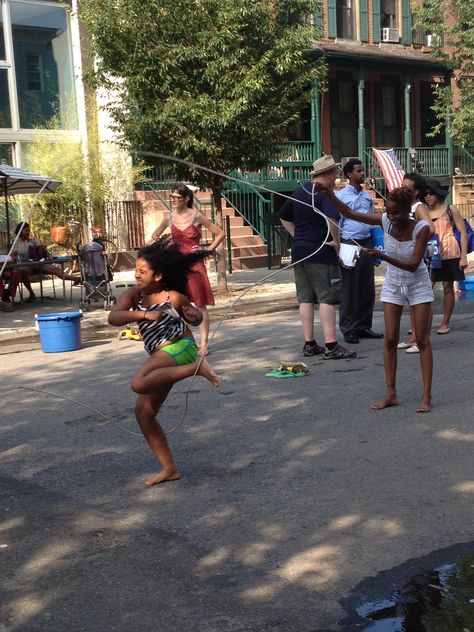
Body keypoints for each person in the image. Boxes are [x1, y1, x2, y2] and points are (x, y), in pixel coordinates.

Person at [108, 237, 219, 486]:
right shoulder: (134, 295)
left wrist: (193, 314)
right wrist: (144, 314)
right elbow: (114, 318)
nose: (137, 275)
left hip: (181, 348)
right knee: (144, 413)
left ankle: (196, 368)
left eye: (142, 271)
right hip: (163, 356)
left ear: (158, 275)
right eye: (136, 270)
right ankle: (169, 468)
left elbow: (195, 317)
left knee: (138, 383)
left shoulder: (172, 297)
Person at [315, 185, 434, 413]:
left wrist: (381, 255)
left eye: (396, 212)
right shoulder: (386, 221)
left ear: (407, 210)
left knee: (423, 340)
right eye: (388, 212)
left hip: (417, 283)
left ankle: (426, 396)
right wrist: (328, 193)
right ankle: (391, 394)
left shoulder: (422, 229)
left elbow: (412, 266)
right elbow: (350, 214)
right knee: (389, 339)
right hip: (393, 284)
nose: (391, 216)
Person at [278, 155, 356, 360]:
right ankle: (331, 345)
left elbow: (283, 216)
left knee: (305, 299)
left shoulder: (299, 191)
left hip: (300, 251)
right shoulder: (324, 193)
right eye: (335, 174)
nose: (336, 178)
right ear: (328, 173)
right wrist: (336, 241)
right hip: (321, 251)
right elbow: (333, 217)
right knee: (327, 297)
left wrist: (297, 236)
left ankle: (310, 343)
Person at [151, 185, 224, 356]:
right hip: (176, 264)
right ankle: (178, 339)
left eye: (176, 197)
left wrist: (207, 250)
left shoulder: (197, 216)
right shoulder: (169, 217)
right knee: (175, 303)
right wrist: (166, 245)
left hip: (194, 264)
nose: (173, 200)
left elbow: (220, 233)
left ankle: (204, 344)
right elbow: (155, 236)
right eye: (172, 197)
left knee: (200, 304)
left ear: (186, 199)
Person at [336, 159, 383, 344]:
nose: (362, 174)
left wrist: (376, 244)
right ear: (349, 175)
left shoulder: (366, 197)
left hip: (366, 243)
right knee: (349, 288)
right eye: (358, 171)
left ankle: (363, 326)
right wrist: (338, 247)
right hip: (348, 243)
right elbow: (336, 222)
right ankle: (348, 328)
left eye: (363, 170)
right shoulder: (341, 197)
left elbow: (372, 220)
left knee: (367, 288)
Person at [397, 173, 435, 354]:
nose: (403, 189)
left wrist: (417, 239)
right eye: (402, 186)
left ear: (416, 192)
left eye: (408, 188)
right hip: (407, 257)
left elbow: (431, 228)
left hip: (419, 257)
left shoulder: (418, 206)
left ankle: (422, 338)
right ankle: (414, 337)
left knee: (421, 298)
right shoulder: (406, 206)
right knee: (410, 298)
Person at [425, 180, 468, 334]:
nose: (428, 197)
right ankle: (422, 323)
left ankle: (445, 322)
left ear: (438, 195)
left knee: (448, 287)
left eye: (431, 193)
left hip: (449, 253)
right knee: (424, 289)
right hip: (429, 255)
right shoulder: (422, 211)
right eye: (426, 194)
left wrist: (463, 256)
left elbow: (463, 232)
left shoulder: (450, 209)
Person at [13, 222, 78, 302]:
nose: (28, 232)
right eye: (26, 230)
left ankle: (75, 279)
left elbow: (42, 255)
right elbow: (13, 256)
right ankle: (32, 293)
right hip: (25, 266)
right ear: (20, 231)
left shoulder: (31, 241)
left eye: (29, 230)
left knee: (54, 269)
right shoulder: (15, 242)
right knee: (23, 271)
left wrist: (42, 250)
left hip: (35, 264)